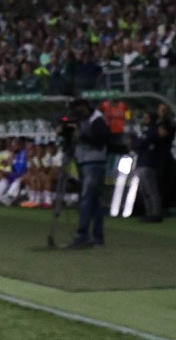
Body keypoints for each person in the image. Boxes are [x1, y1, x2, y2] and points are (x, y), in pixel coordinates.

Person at [66, 98, 110, 248]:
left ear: (84, 106)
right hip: (84, 161)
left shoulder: (97, 119)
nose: (75, 111)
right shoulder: (81, 119)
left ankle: (82, 234)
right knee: (94, 201)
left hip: (94, 162)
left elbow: (102, 140)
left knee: (86, 198)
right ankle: (97, 237)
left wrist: (81, 135)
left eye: (77, 107)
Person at [133, 112, 163, 223]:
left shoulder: (153, 131)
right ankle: (149, 213)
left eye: (146, 117)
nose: (144, 119)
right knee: (143, 190)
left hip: (148, 163)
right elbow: (139, 144)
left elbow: (141, 143)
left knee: (151, 190)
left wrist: (140, 143)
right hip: (142, 162)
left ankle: (155, 214)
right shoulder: (147, 131)